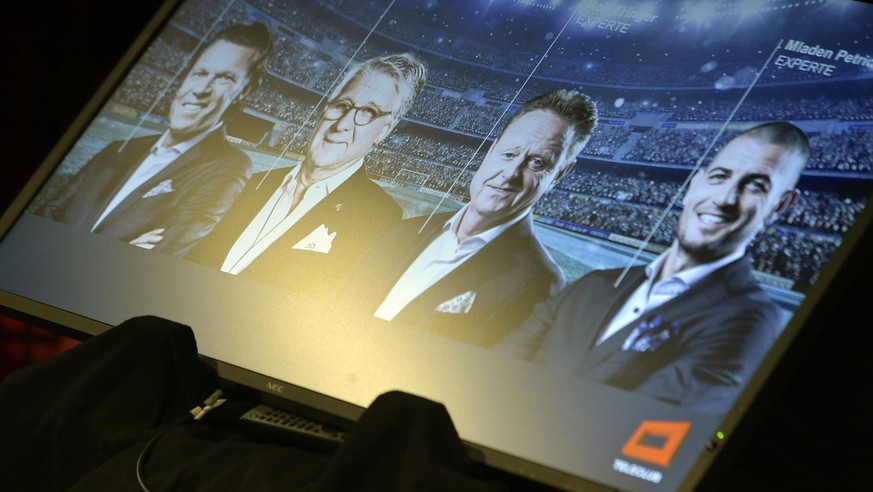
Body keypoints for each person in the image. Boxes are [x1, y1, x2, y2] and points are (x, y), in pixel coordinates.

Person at [497, 122, 811, 415]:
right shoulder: (595, 284)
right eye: (720, 177)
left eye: (755, 186)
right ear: (695, 184)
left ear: (780, 207)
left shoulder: (747, 320)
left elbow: (640, 428)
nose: (725, 198)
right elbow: (494, 367)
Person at [342, 90, 598, 347]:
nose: (510, 174)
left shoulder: (540, 284)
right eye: (509, 154)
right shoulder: (401, 231)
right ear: (492, 148)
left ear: (560, 174)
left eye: (537, 163)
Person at [185, 53, 427, 299]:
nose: (342, 123)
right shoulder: (254, 182)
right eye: (342, 105)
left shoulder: (380, 218)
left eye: (368, 112)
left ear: (385, 130)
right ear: (326, 107)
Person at [33, 22, 274, 257]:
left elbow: (156, 259)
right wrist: (111, 250)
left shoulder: (228, 167)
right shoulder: (118, 150)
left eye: (225, 78)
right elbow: (44, 218)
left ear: (244, 91)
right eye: (199, 73)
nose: (201, 89)